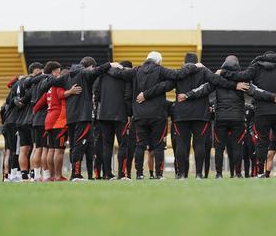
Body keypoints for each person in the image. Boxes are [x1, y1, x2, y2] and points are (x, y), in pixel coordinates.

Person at [106, 51, 202, 179]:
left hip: (139, 115)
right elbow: (178, 74)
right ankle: (158, 174)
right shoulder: (160, 70)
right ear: (159, 61)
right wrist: (194, 66)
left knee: (140, 145)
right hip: (158, 114)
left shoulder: (136, 70)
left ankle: (139, 174)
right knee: (158, 146)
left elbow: (119, 74)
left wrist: (108, 67)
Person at [180, 55, 276, 179]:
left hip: (220, 118)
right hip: (238, 119)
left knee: (219, 148)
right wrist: (272, 96)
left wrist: (187, 95)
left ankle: (219, 174)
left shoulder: (217, 79)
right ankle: (238, 173)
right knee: (237, 147)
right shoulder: (242, 80)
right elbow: (257, 92)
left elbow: (202, 89)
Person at [51, 57, 121, 181]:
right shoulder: (84, 73)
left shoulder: (67, 76)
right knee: (79, 146)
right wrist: (110, 64)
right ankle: (76, 174)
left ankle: (75, 173)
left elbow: (50, 82)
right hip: (82, 117)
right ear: (89, 67)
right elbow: (97, 71)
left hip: (71, 117)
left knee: (74, 146)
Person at [93, 60, 133, 180]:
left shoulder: (102, 76)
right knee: (123, 145)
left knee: (107, 145)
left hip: (104, 114)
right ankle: (122, 174)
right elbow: (127, 96)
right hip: (121, 114)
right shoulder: (125, 76)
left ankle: (107, 174)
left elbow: (96, 94)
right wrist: (129, 113)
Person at [14, 62, 46, 181]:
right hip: (31, 119)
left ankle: (24, 175)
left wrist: (17, 101)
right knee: (35, 148)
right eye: (41, 71)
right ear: (36, 71)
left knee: (23, 149)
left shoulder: (18, 83)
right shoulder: (35, 83)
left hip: (20, 120)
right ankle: (33, 174)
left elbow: (15, 100)